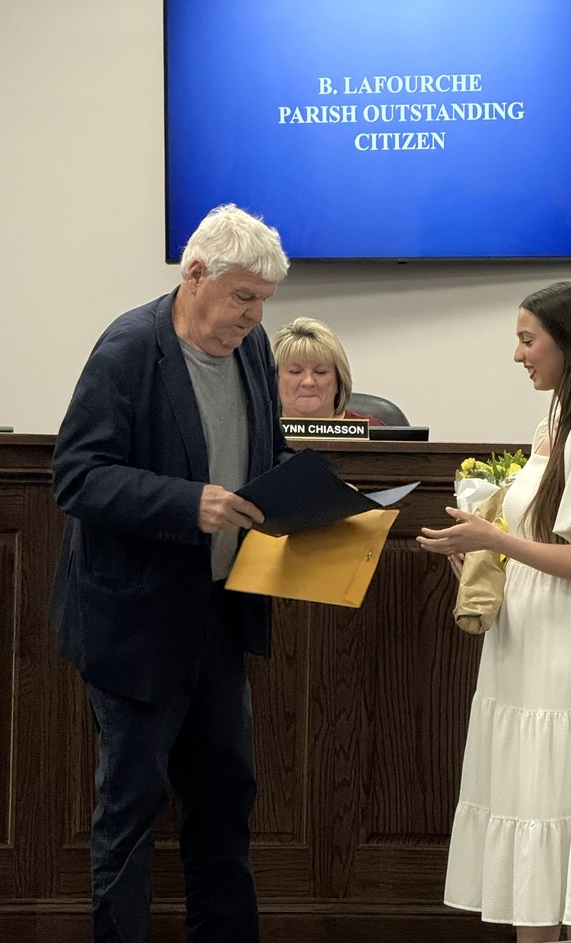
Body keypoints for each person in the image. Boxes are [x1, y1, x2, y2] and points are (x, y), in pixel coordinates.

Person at [49, 203, 292, 943]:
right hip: (135, 622)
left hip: (218, 615)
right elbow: (77, 477)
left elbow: (266, 458)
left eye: (262, 302)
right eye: (242, 296)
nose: (253, 316)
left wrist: (307, 499)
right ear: (195, 274)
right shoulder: (128, 349)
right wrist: (188, 503)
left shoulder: (250, 349)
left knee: (224, 803)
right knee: (131, 809)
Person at [417, 281, 571, 942]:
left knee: (570, 804)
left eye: (527, 340)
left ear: (568, 345)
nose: (518, 356)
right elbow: (538, 542)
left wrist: (494, 540)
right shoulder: (552, 426)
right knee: (529, 804)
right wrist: (481, 559)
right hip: (527, 638)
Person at [272, 315, 384, 424]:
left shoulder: (371, 431)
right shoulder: (258, 430)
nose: (308, 382)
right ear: (276, 379)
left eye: (320, 371)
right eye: (295, 371)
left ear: (339, 381)